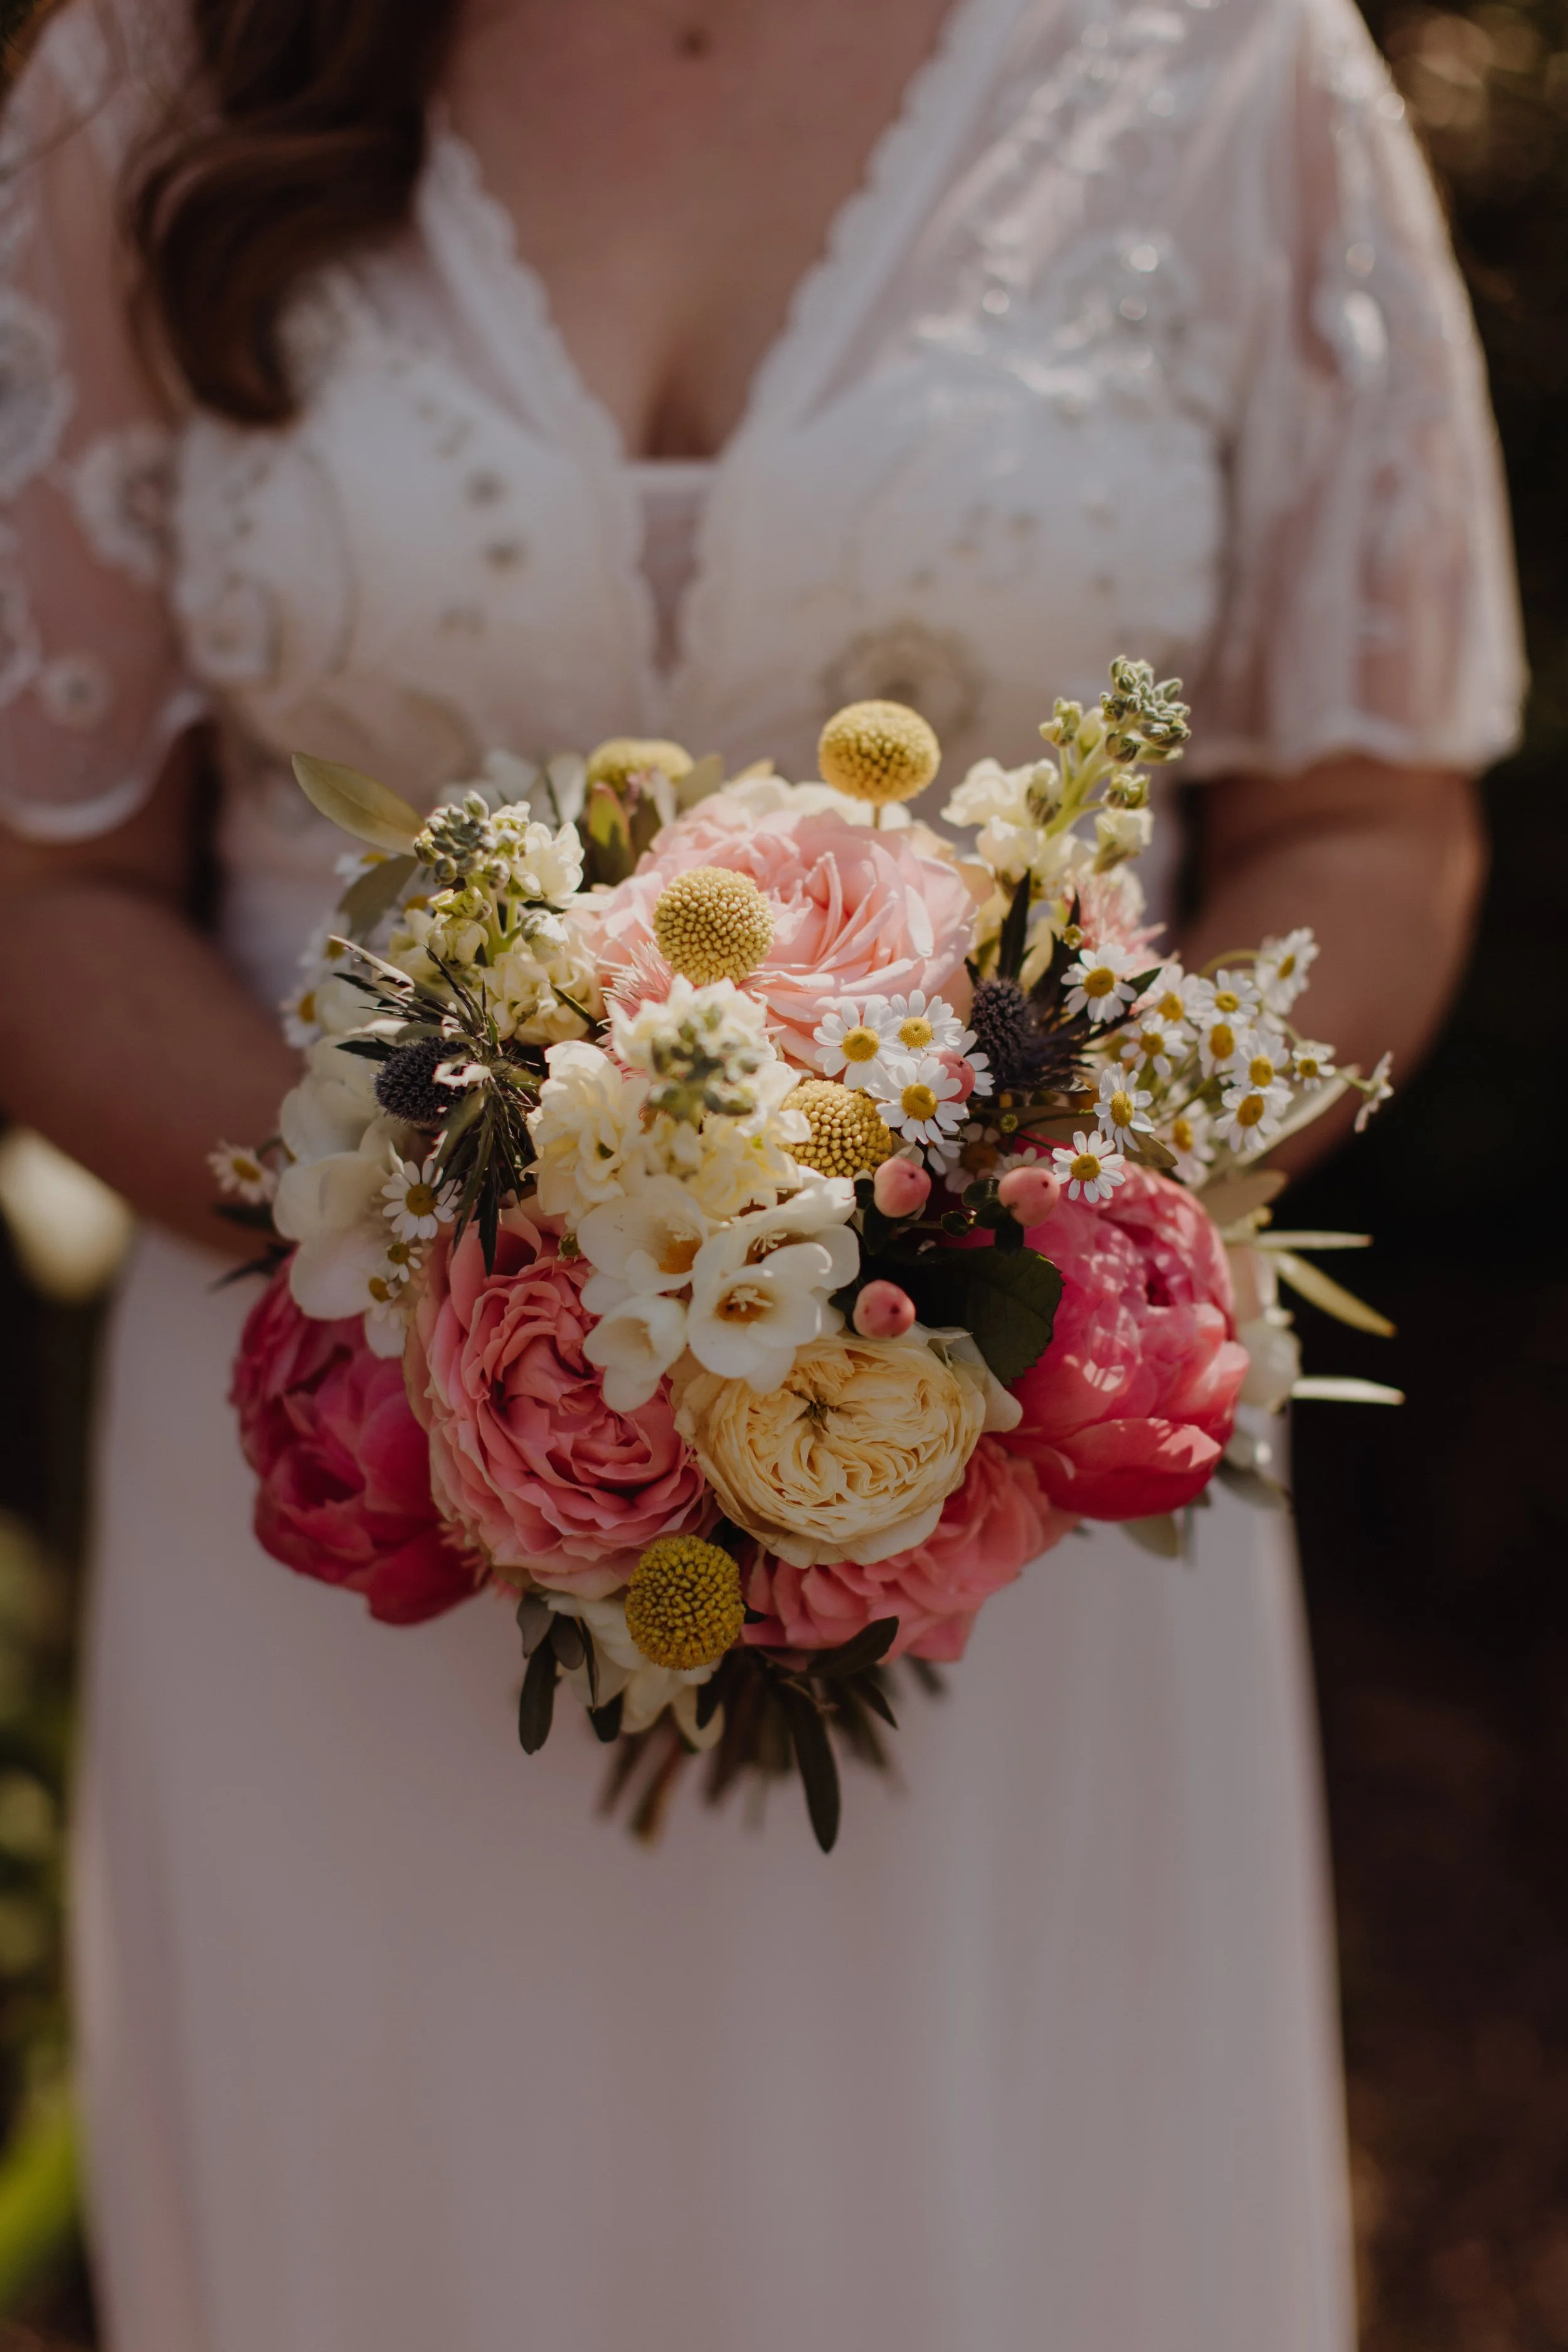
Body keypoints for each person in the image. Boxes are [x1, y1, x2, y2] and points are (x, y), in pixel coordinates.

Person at [0, 0, 1521, 2343]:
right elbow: (43, 879)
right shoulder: (156, 69)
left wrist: (1014, 1264)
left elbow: (1367, 815)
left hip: (1022, 1520)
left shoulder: (1225, 66)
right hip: (370, 1520)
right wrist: (484, 1280)